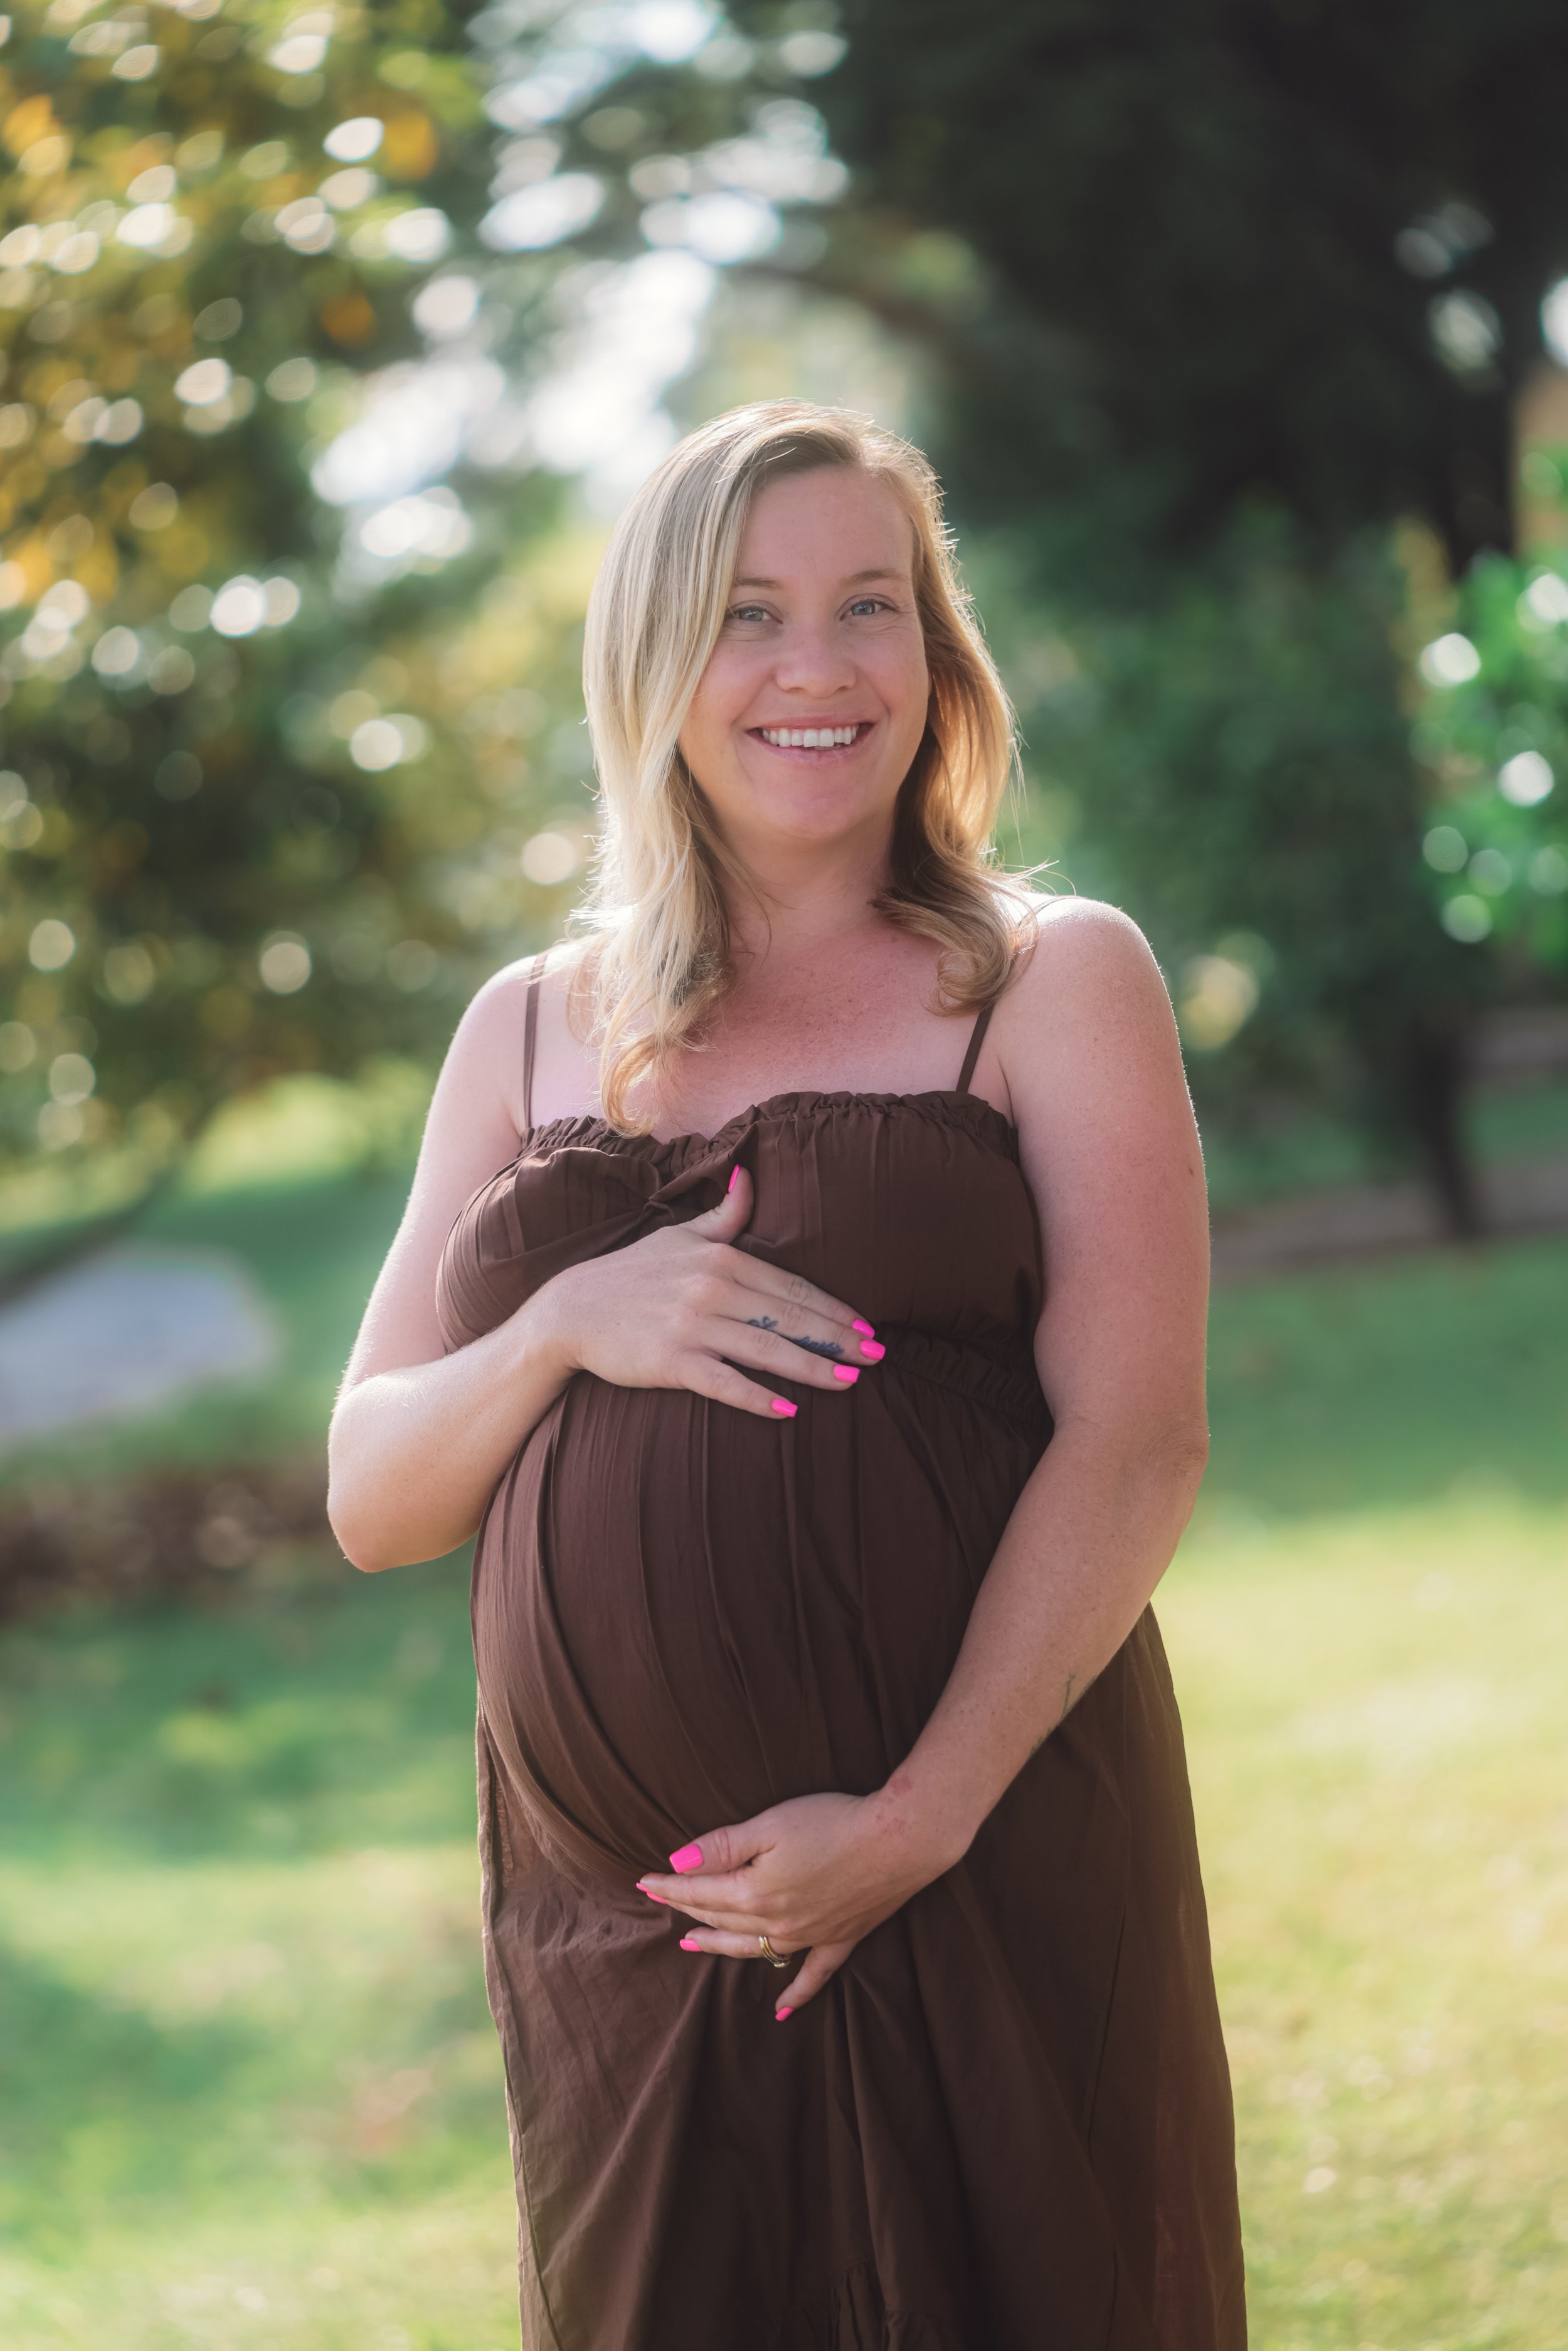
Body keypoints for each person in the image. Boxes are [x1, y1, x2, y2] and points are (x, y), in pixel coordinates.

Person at [327, 400, 1246, 2350]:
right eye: (748, 614)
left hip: (974, 1850)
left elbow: (1136, 1435)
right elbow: (374, 1491)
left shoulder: (1043, 973)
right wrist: (563, 1323)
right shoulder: (519, 1032)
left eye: (870, 606)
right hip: (626, 1934)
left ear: (940, 653)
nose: (818, 667)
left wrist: (915, 1815)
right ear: (654, 662)